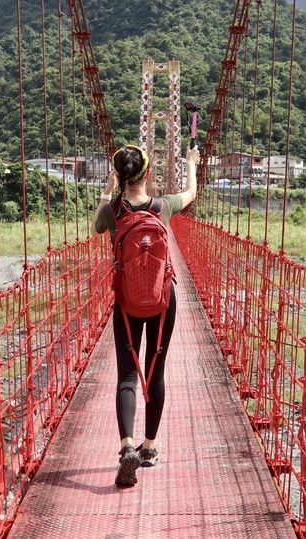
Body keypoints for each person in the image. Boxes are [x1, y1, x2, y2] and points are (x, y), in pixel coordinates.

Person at [92, 143, 199, 487]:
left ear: (119, 175)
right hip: (162, 301)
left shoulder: (112, 211)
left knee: (127, 376)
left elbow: (96, 226)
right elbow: (191, 193)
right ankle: (149, 448)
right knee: (156, 372)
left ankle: (126, 447)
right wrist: (191, 163)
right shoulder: (162, 206)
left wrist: (109, 190)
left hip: (125, 303)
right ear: (147, 174)